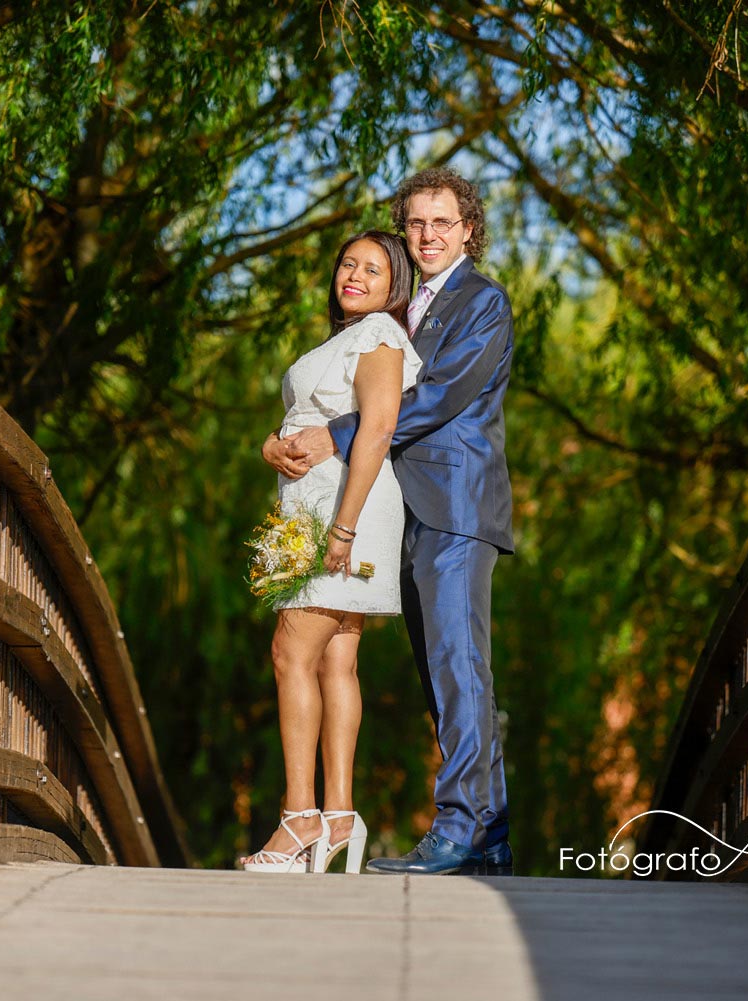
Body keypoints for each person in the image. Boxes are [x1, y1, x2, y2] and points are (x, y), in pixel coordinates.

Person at [275, 168, 516, 875]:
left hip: (456, 508)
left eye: (443, 222)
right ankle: (489, 834)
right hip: (410, 512)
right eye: (416, 223)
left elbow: (434, 397)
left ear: (468, 228)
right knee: (448, 673)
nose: (428, 235)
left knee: (459, 668)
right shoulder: (409, 314)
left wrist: (338, 436)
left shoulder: (482, 303)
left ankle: (460, 827)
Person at [242, 229, 423, 874]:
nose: (355, 275)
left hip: (342, 511)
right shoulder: (345, 339)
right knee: (335, 663)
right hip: (316, 507)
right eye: (349, 263)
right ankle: (339, 816)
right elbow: (303, 422)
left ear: (393, 286)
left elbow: (377, 428)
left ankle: (298, 820)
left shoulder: (379, 336)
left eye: (373, 269)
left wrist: (341, 530)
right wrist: (271, 446)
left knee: (292, 651)